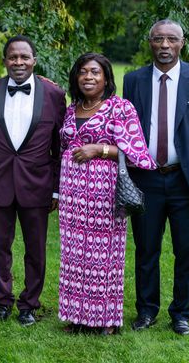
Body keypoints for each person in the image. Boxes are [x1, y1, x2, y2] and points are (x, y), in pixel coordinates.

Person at [124, 19, 189, 336]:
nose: (164, 45)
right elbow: (126, 127)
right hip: (146, 179)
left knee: (188, 252)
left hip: (188, 181)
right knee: (146, 249)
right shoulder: (133, 80)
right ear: (149, 42)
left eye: (171, 39)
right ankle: (147, 311)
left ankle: (182, 314)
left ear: (182, 42)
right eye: (158, 38)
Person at [58, 53, 155, 335]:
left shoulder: (119, 108)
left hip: (104, 192)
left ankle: (105, 320)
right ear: (76, 77)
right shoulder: (71, 108)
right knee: (74, 255)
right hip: (72, 193)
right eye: (83, 72)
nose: (88, 77)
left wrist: (99, 149)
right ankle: (77, 317)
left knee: (103, 256)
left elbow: (139, 153)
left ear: (106, 78)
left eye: (95, 72)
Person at [0, 35, 66, 326]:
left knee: (36, 249)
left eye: (24, 57)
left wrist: (56, 189)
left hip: (37, 184)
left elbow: (59, 148)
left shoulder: (55, 95)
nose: (18, 62)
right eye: (13, 57)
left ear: (34, 60)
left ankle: (29, 303)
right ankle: (3, 301)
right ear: (5, 61)